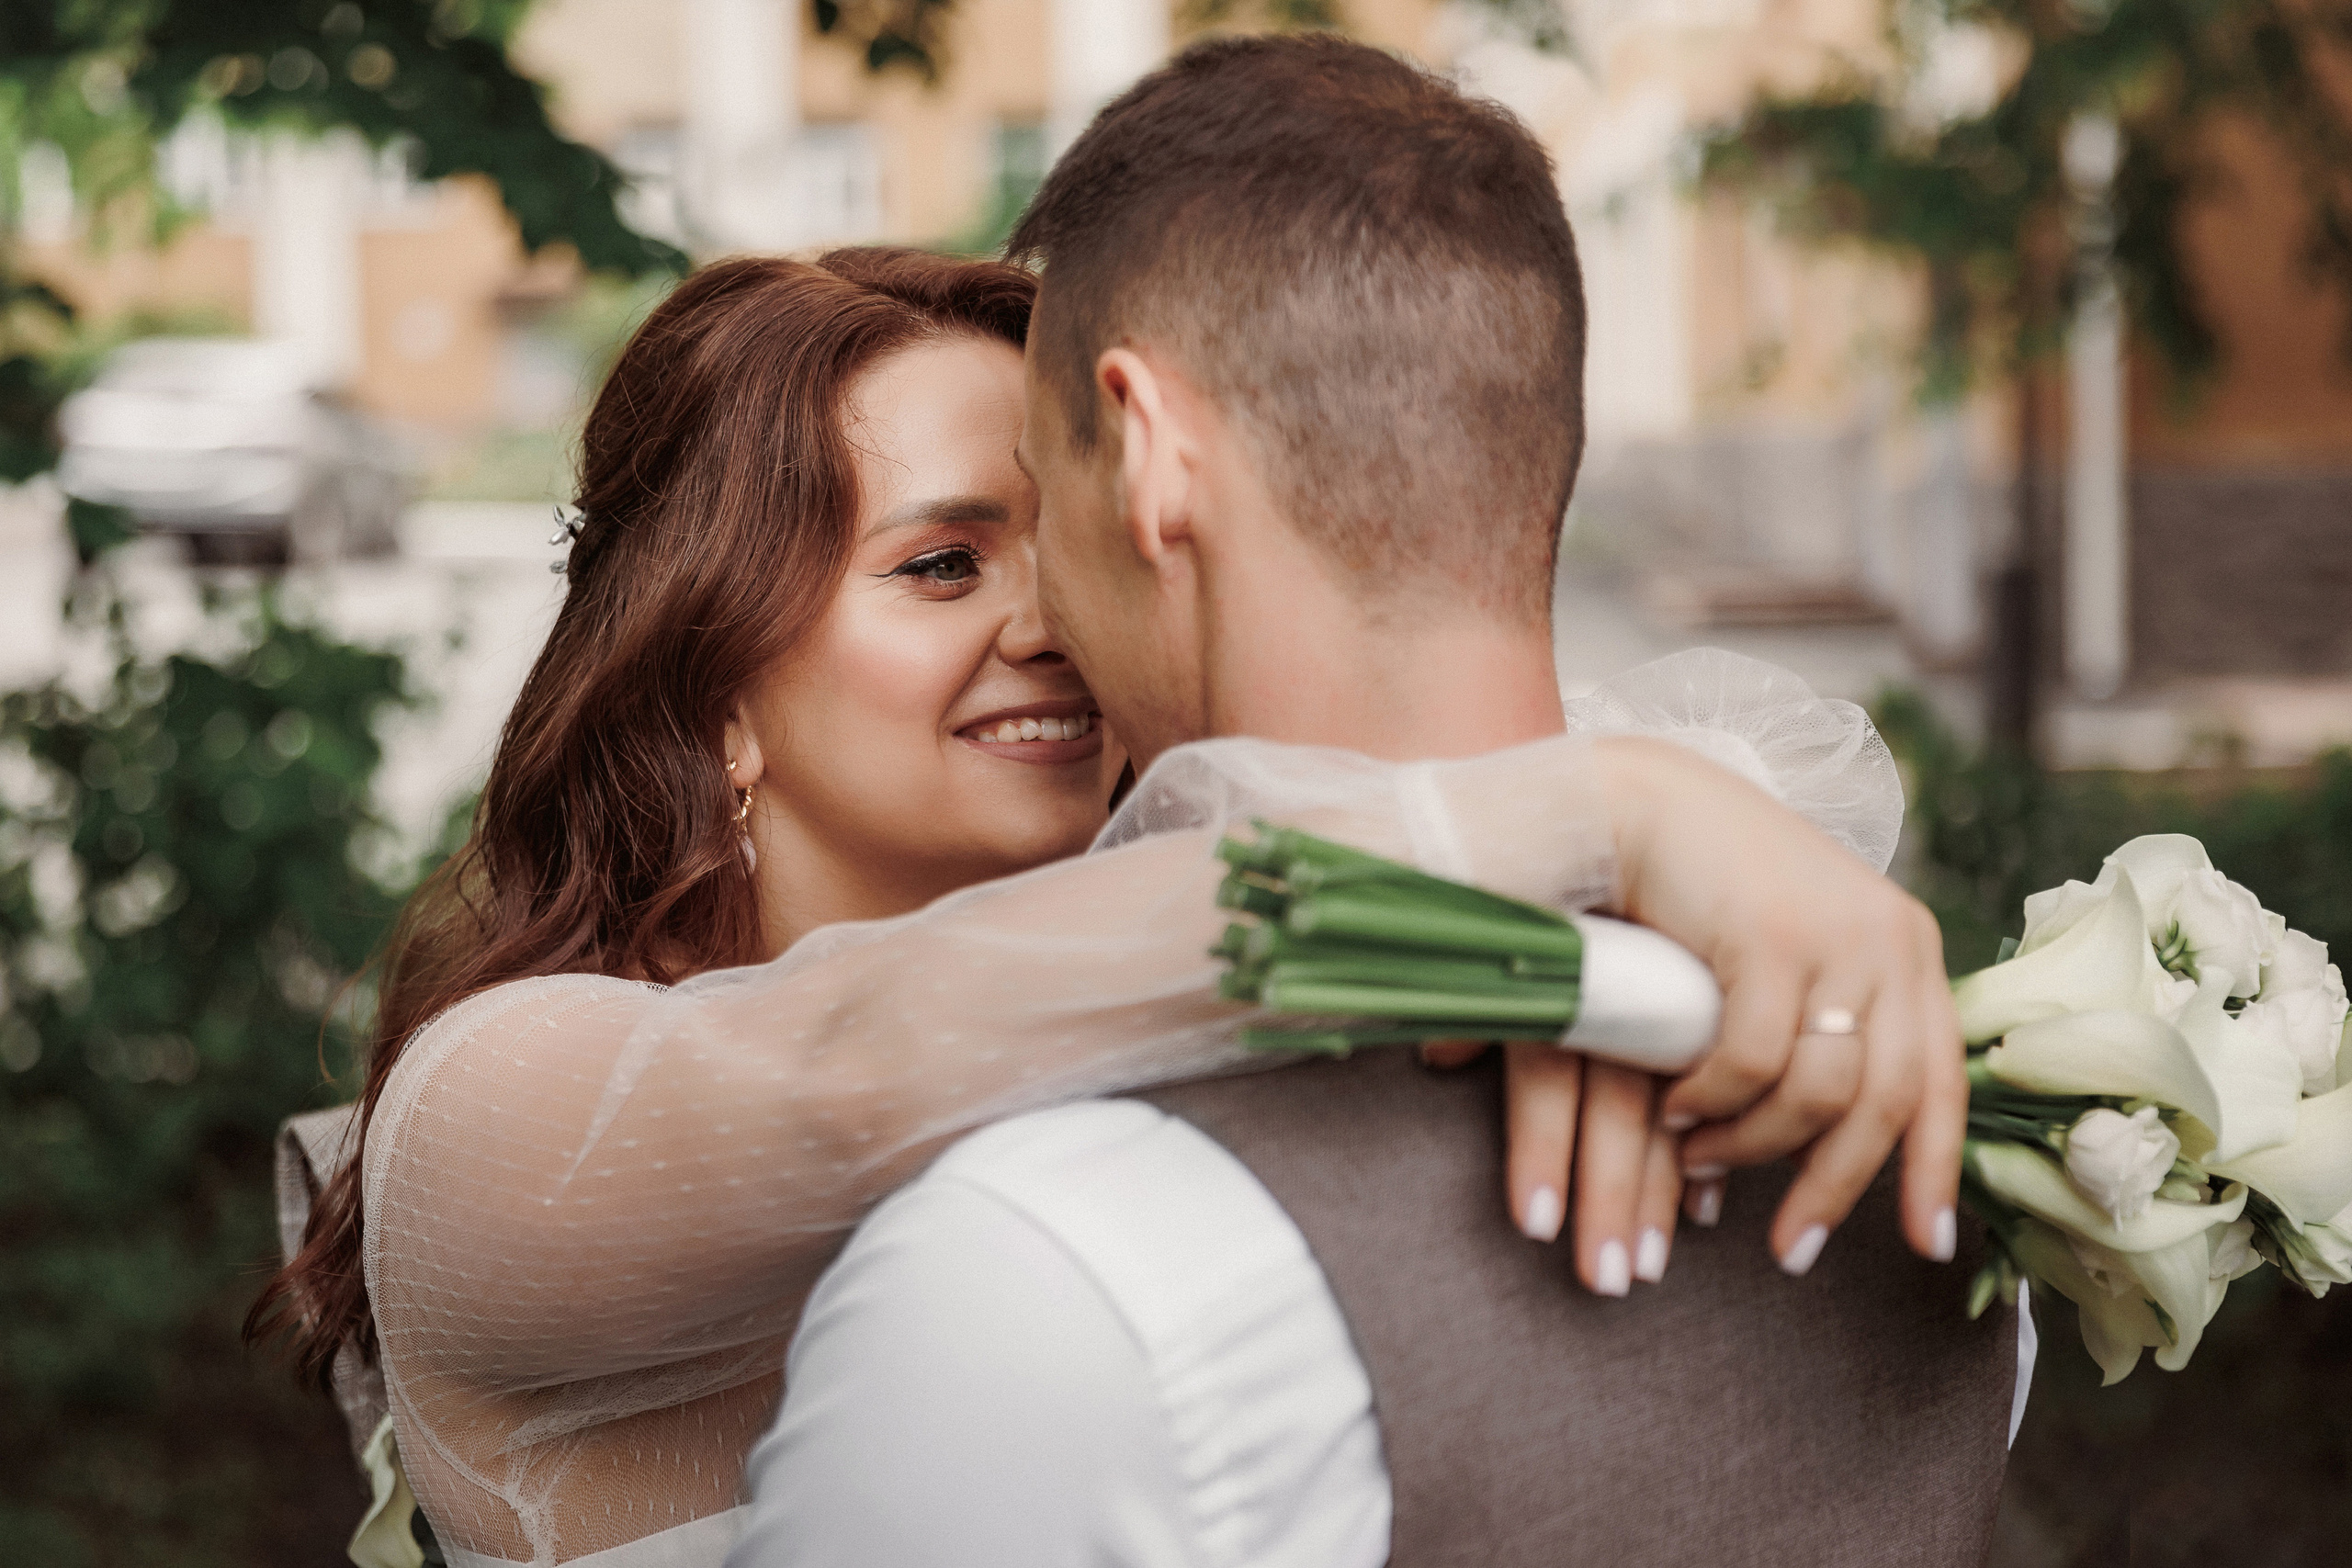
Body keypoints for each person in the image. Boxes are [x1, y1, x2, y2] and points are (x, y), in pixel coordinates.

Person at [254, 247, 1925, 1568]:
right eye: (943, 565)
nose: (1050, 625)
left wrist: (1610, 960)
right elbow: (854, 1058)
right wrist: (1618, 814)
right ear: (714, 693)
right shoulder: (493, 1106)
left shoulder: (1153, 985)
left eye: (1077, 554)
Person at [731, 36, 2017, 1568]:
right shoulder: (1952, 1158)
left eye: (1040, 482)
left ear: (1148, 457)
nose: (1041, 611)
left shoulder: (1049, 1276)